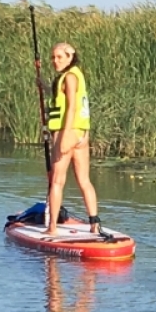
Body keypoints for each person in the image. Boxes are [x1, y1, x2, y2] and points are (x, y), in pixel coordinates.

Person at [45, 42, 100, 235]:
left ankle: (52, 228)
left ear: (70, 57)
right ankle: (94, 224)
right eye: (53, 57)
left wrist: (65, 135)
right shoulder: (75, 75)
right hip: (81, 133)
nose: (55, 61)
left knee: (56, 181)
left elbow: (71, 108)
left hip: (67, 132)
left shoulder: (69, 77)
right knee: (84, 180)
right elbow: (64, 99)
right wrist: (44, 86)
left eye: (60, 57)